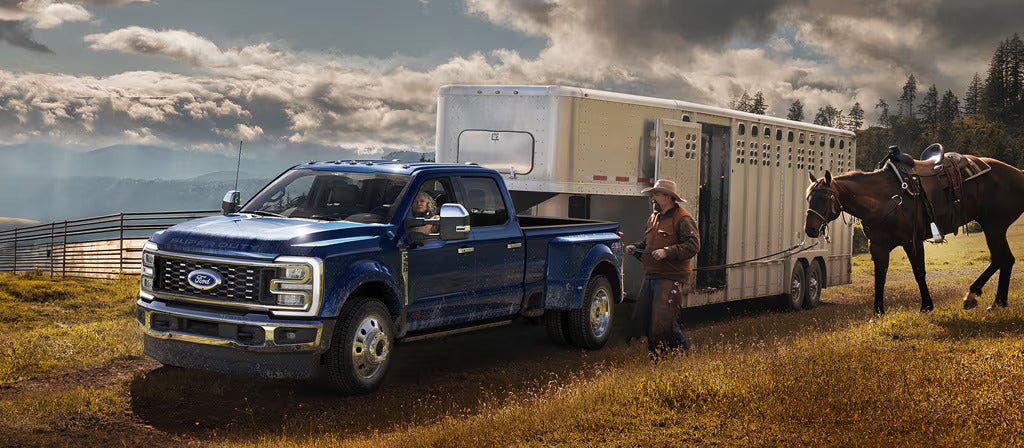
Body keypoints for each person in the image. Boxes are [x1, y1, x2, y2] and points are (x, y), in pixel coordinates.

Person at [625, 179, 700, 356]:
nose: (653, 198)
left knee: (662, 321)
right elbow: (649, 244)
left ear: (668, 197)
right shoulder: (654, 218)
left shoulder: (683, 218)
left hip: (671, 276)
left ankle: (676, 355)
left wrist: (667, 252)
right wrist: (636, 248)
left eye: (656, 194)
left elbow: (693, 245)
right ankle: (664, 356)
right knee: (648, 318)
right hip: (652, 274)